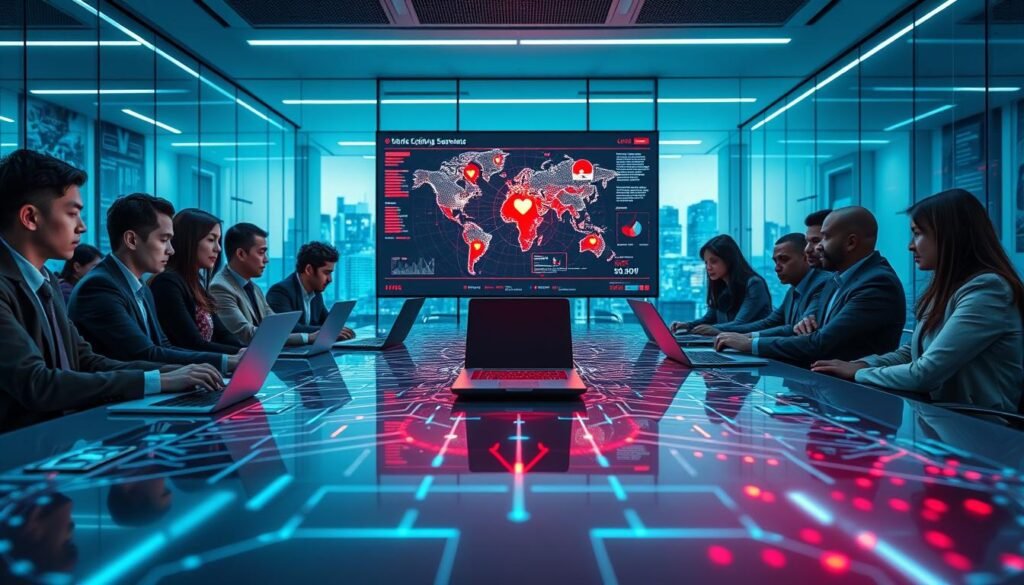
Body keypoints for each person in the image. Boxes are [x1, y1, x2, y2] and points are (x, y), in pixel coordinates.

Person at [0, 150, 225, 433]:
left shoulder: (45, 281)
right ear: (30, 217)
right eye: (72, 213)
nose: (82, 227)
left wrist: (173, 374)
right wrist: (158, 380)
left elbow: (85, 360)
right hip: (20, 453)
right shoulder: (15, 285)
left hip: (61, 439)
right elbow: (37, 383)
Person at [812, 189, 1024, 412]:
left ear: (950, 235)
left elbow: (926, 373)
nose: (911, 245)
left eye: (918, 233)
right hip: (943, 420)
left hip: (983, 431)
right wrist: (863, 364)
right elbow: (913, 352)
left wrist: (857, 373)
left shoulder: (988, 290)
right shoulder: (947, 288)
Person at [69, 194, 243, 373]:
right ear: (131, 240)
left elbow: (163, 346)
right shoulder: (99, 287)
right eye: (164, 240)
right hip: (118, 398)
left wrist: (227, 360)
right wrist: (225, 361)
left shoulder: (140, 287)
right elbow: (144, 353)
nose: (171, 249)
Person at [715, 206, 906, 367]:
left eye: (824, 239)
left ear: (851, 242)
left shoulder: (877, 283)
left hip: (860, 394)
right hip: (827, 386)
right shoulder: (836, 280)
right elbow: (808, 333)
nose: (814, 249)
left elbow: (820, 343)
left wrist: (750, 344)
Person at [149, 208, 245, 354]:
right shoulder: (167, 283)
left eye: (218, 241)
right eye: (211, 240)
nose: (218, 249)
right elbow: (192, 343)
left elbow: (222, 334)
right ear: (189, 241)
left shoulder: (195, 283)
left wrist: (247, 351)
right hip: (188, 371)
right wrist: (239, 354)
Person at [210, 223, 317, 346]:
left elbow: (277, 326)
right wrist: (307, 337)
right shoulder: (220, 287)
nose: (266, 259)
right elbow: (246, 334)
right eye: (261, 253)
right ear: (241, 254)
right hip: (241, 361)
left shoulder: (254, 288)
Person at [711, 233, 829, 338]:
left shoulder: (821, 284)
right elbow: (769, 322)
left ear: (805, 258)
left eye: (784, 259)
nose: (777, 268)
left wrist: (747, 339)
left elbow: (795, 329)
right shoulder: (793, 290)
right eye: (775, 261)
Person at [670, 234, 771, 335]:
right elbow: (709, 318)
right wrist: (687, 325)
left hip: (749, 347)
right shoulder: (720, 285)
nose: (708, 267)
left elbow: (740, 324)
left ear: (729, 260)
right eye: (706, 263)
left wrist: (713, 329)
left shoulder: (754, 284)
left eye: (713, 261)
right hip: (727, 345)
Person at [267, 241, 355, 341]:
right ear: (309, 269)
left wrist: (339, 330)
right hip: (289, 355)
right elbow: (288, 329)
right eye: (326, 273)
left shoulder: (316, 292)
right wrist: (329, 331)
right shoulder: (280, 292)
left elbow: (326, 323)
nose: (330, 279)